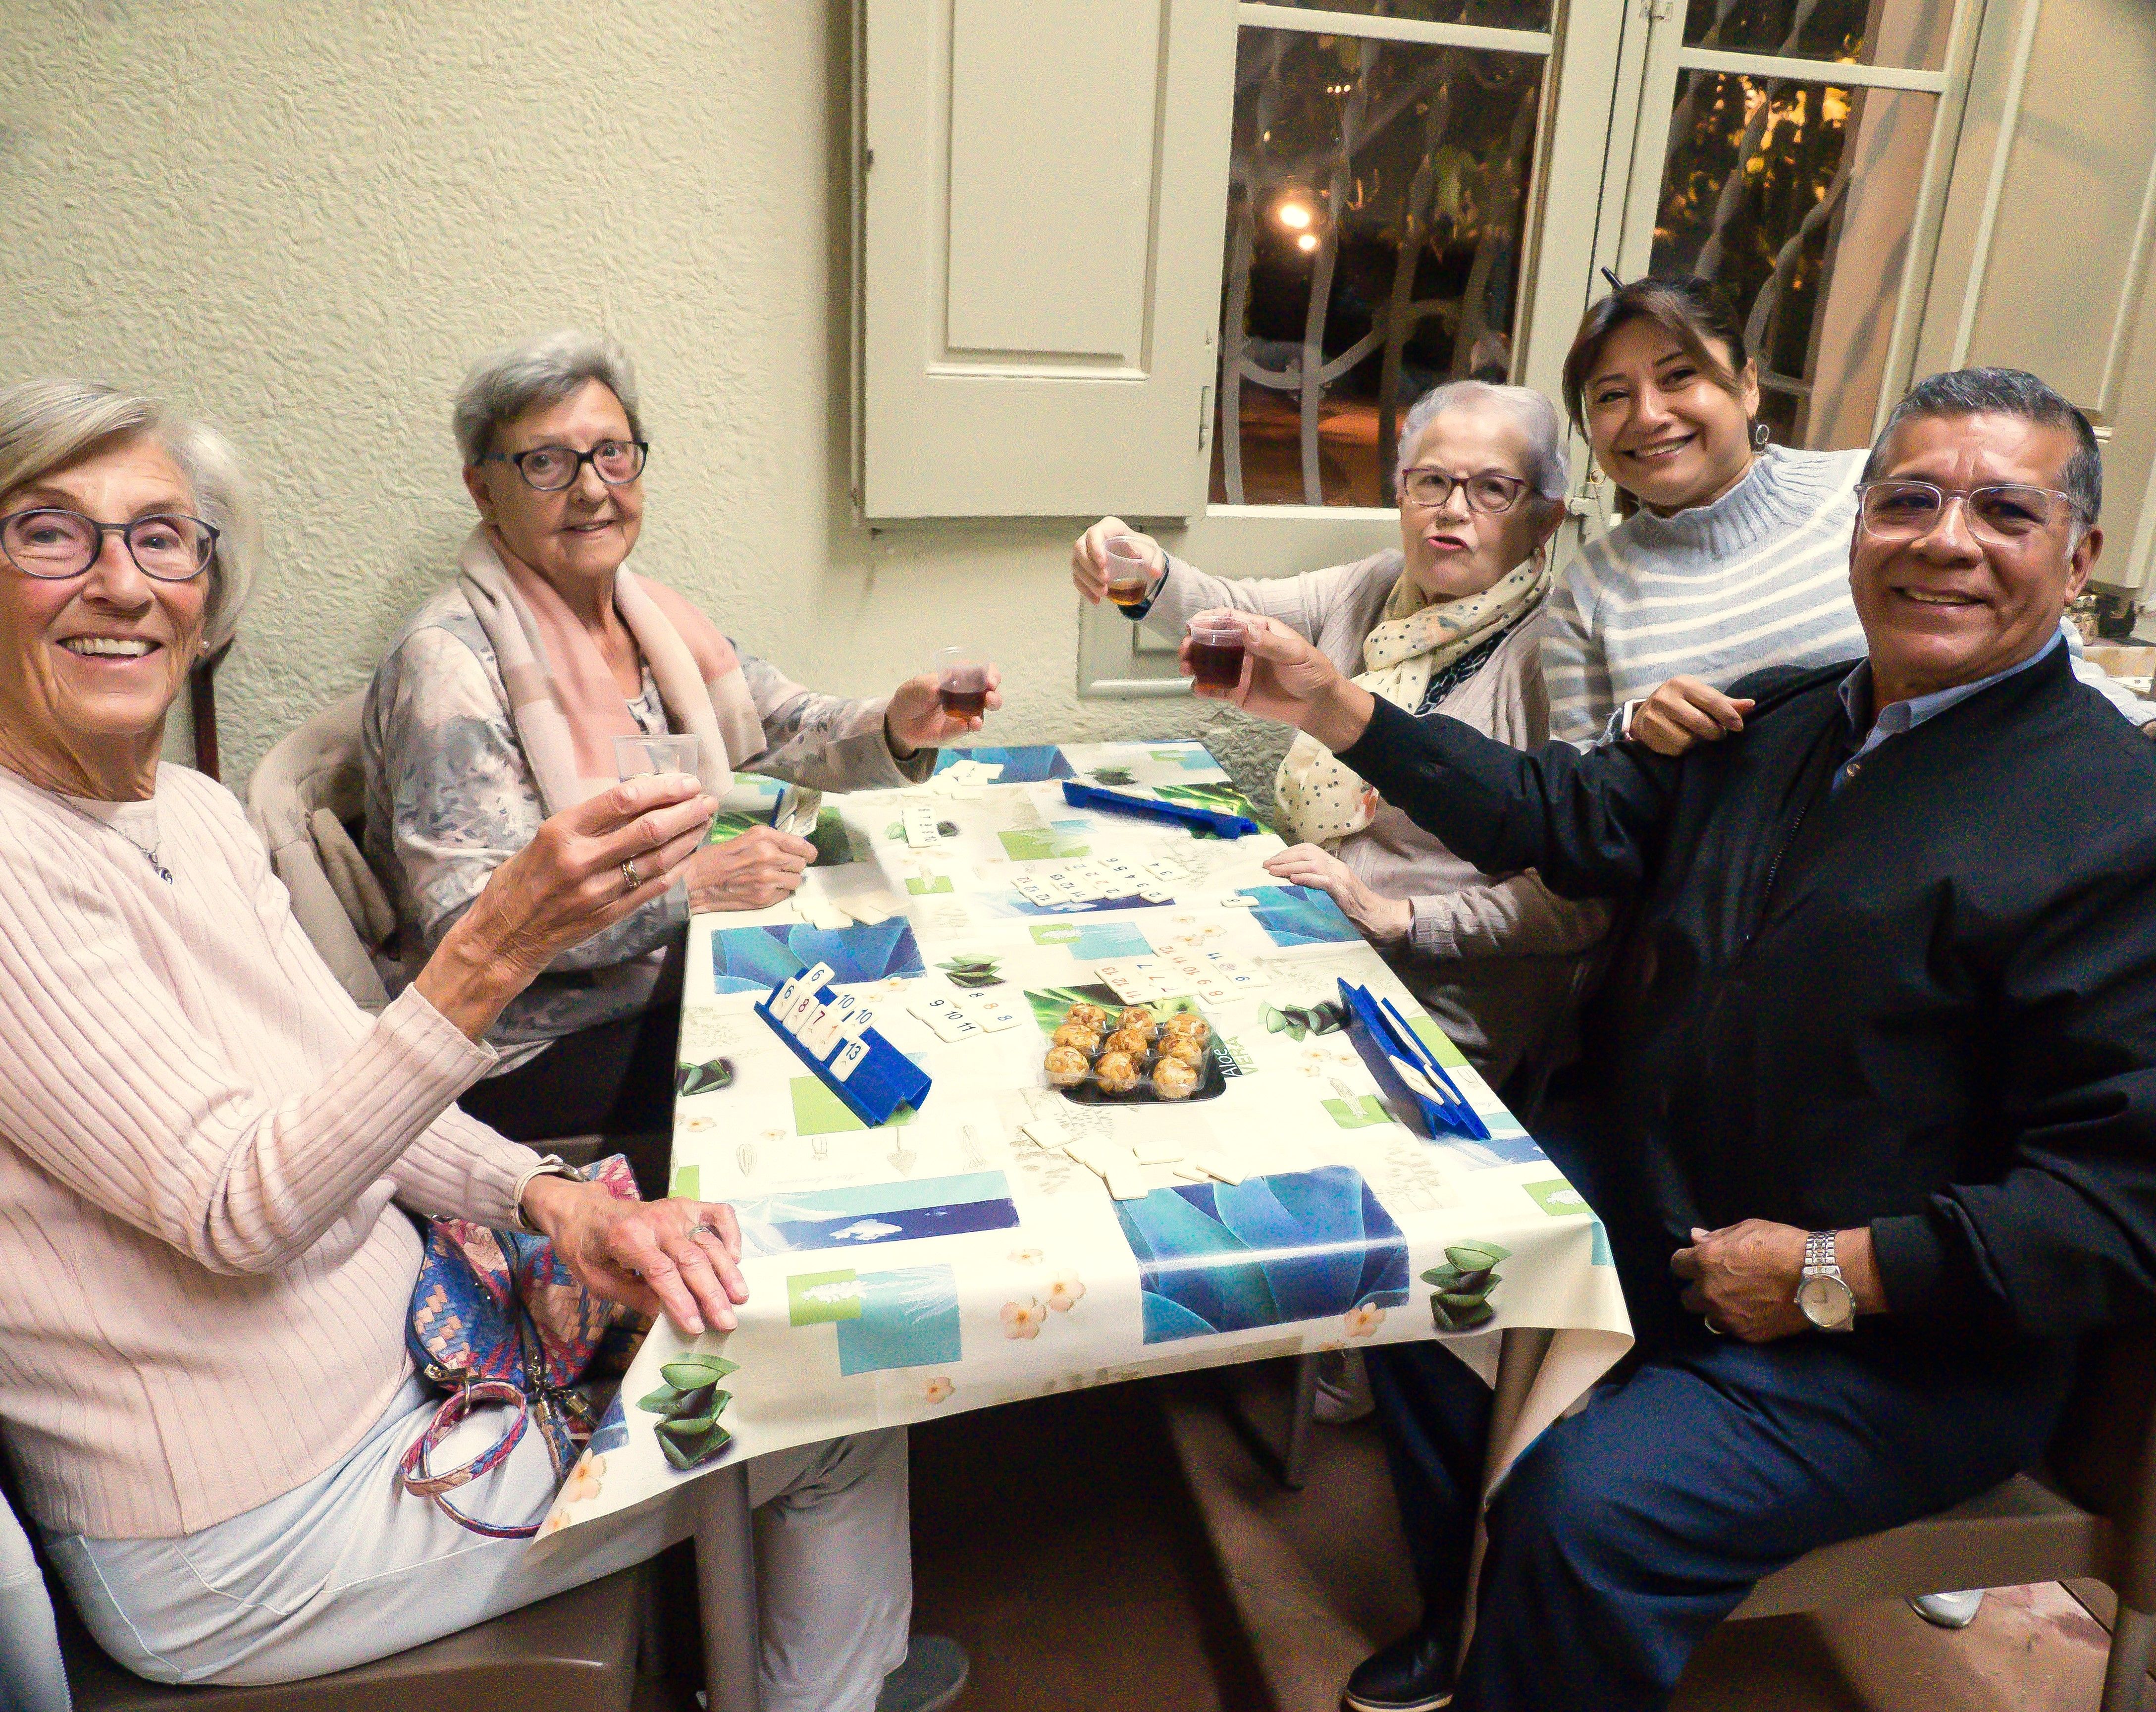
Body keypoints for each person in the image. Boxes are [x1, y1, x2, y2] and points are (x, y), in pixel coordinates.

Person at [1181, 367, 2156, 1712]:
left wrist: (1834, 1271)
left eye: (2004, 510)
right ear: (1860, 524)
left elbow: (2148, 1205)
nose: (1947, 538)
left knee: (1592, 1513)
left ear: (2079, 557)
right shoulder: (1776, 721)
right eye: (1911, 500)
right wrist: (1328, 702)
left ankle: (1526, 1628)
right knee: (1426, 1271)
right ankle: (1468, 1612)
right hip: (1670, 1212)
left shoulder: (2147, 848)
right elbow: (1556, 814)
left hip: (1901, 1339)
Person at [0, 379, 965, 1710]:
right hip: (258, 1525)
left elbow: (342, 1081)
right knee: (838, 1405)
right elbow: (239, 1207)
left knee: (781, 1295)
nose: (120, 581)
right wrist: (501, 942)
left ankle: (801, 1670)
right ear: (486, 487)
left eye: (163, 537)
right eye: (50, 535)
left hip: (410, 1353)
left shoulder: (187, 812)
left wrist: (551, 1201)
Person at [366, 331, 1000, 1174]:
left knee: (912, 997)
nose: (592, 489)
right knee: (854, 1095)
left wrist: (898, 724)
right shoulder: (451, 666)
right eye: (547, 464)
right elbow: (473, 925)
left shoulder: (646, 616)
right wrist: (687, 890)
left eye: (612, 455)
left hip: (664, 978)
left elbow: (781, 724)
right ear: (483, 489)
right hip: (524, 1053)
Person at [1071, 380, 1608, 1094]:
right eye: (1432, 482)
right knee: (1110, 1022)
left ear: (1544, 520)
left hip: (1424, 1007)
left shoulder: (1551, 657)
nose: (1453, 509)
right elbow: (1235, 609)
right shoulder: (1378, 586)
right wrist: (1140, 567)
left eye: (1493, 490)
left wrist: (1401, 917)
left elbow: (1579, 902)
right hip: (1299, 936)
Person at [1543, 274, 2156, 771]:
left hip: (1964, 834)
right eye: (1612, 396)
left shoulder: (1883, 499)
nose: (1648, 415)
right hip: (1724, 901)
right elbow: (1579, 790)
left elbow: (2038, 661)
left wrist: (2154, 734)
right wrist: (1635, 728)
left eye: (1678, 377)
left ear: (1747, 386)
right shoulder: (1592, 589)